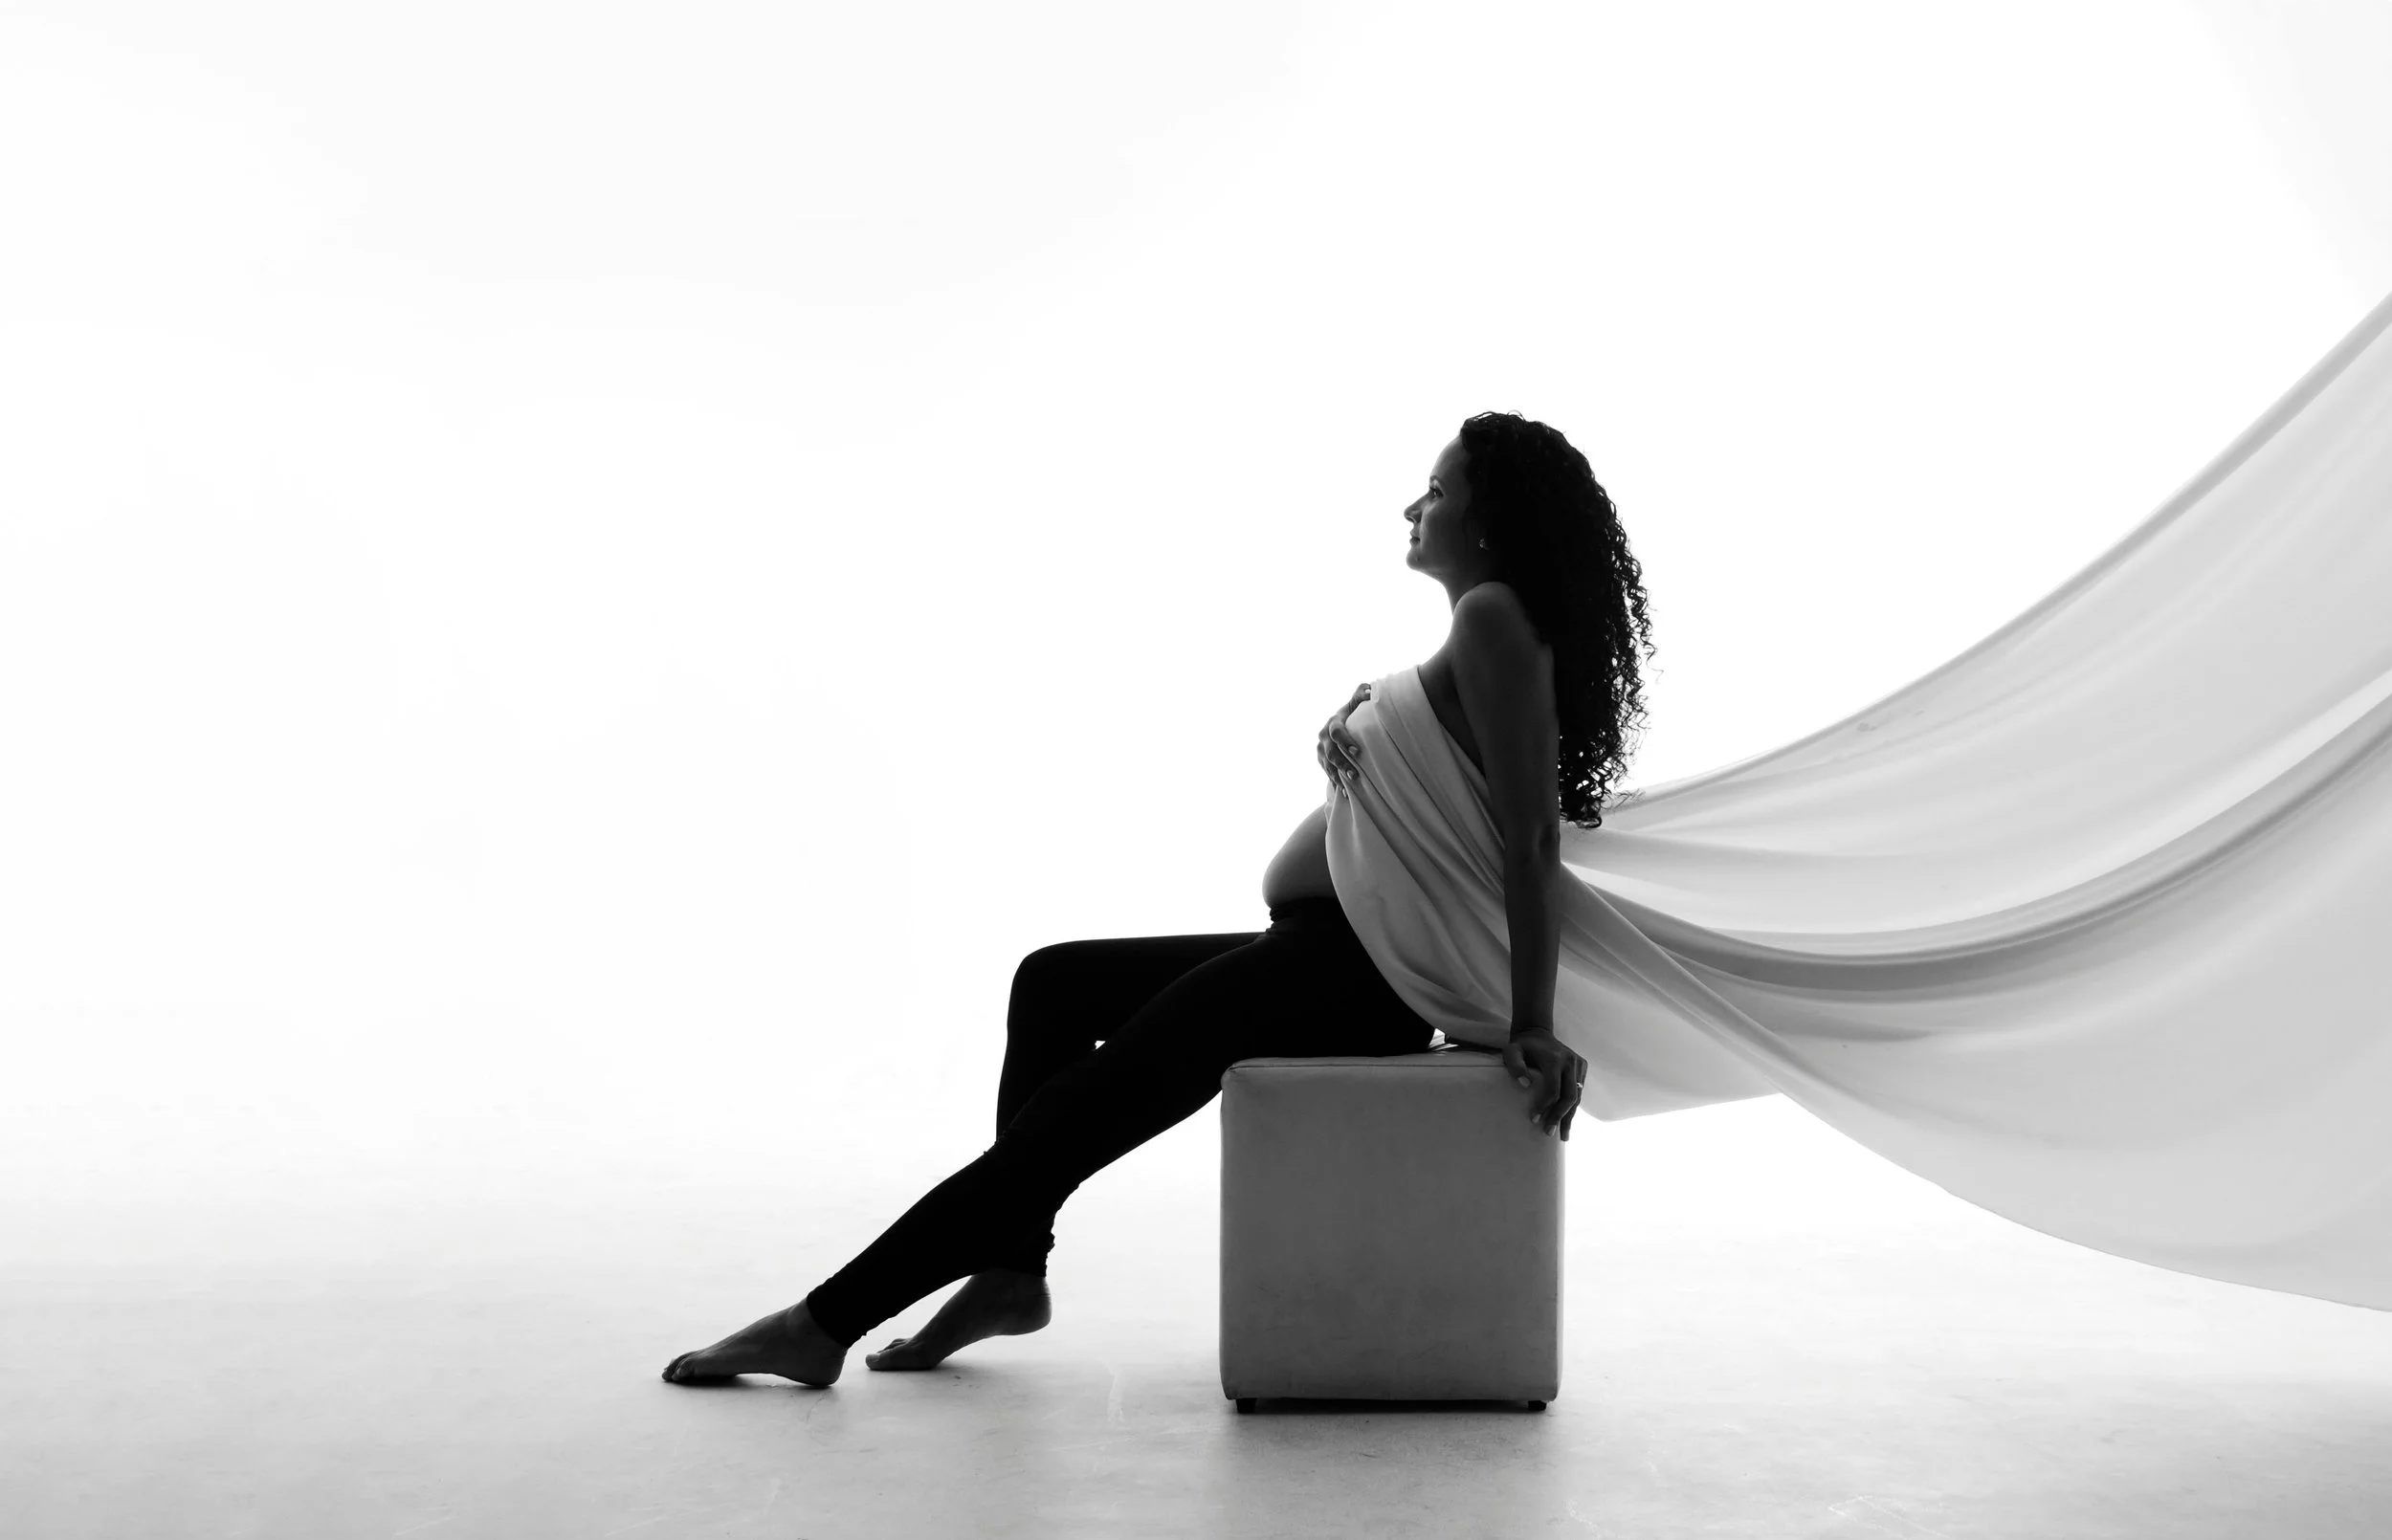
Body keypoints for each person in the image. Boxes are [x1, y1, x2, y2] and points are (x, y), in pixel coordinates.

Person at [660, 411, 1652, 1387]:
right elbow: (1452, 794)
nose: (1412, 506)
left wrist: (1532, 1021)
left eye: (1435, 491)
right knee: (1053, 985)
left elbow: (1530, 836)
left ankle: (821, 1321)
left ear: (1487, 522)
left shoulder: (1493, 617)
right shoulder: (1485, 629)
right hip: (1326, 951)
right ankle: (1010, 1272)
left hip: (1357, 975)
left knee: (1078, 1115)